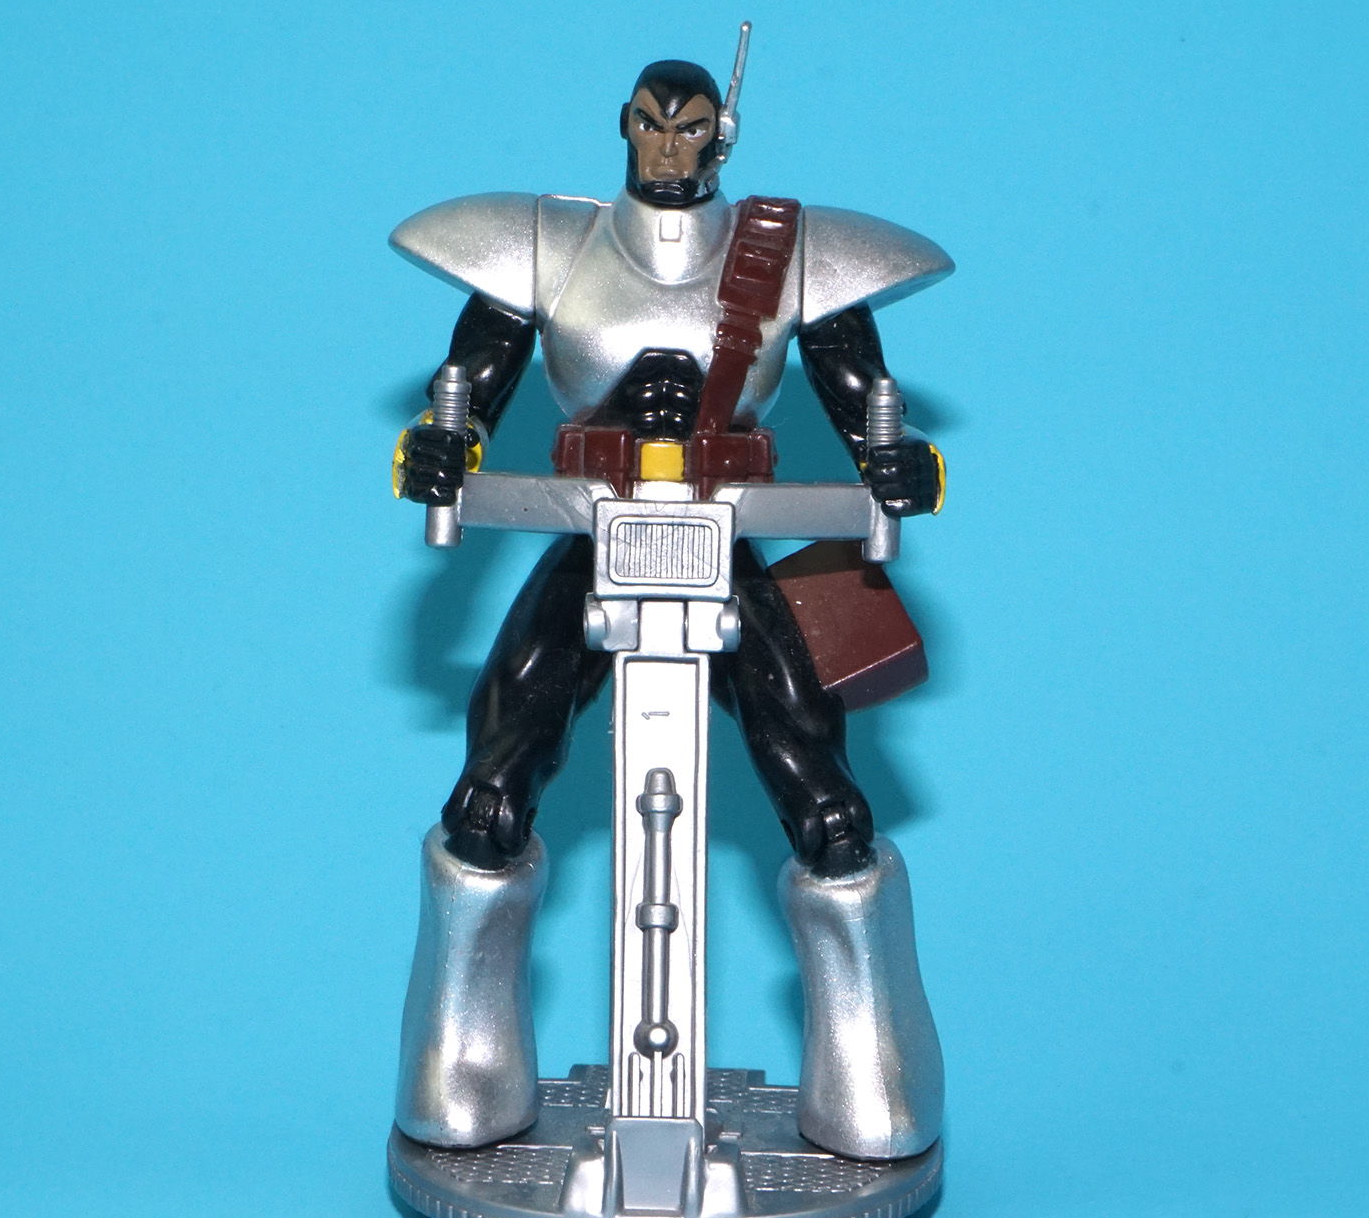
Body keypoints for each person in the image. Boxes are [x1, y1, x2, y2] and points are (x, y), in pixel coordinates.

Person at [388, 56, 953, 1161]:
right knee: (489, 797)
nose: (667, 145)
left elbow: (862, 398)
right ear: (623, 126)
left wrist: (897, 463)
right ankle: (462, 1065)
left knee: (828, 809)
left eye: (689, 127)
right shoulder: (549, 244)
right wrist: (443, 444)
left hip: (723, 539)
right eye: (650, 124)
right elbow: (473, 379)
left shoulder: (788, 253)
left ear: (719, 137)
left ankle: (872, 1072)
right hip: (595, 536)